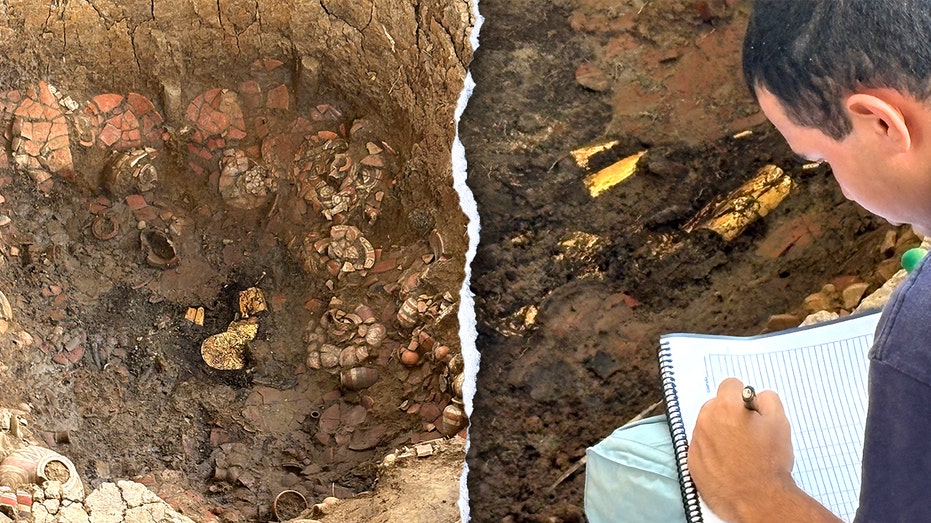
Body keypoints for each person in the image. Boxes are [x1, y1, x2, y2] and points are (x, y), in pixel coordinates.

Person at [585, 1, 931, 521]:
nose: (841, 189)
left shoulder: (917, 335)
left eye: (822, 158)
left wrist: (755, 490)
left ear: (882, 123)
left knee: (636, 467)